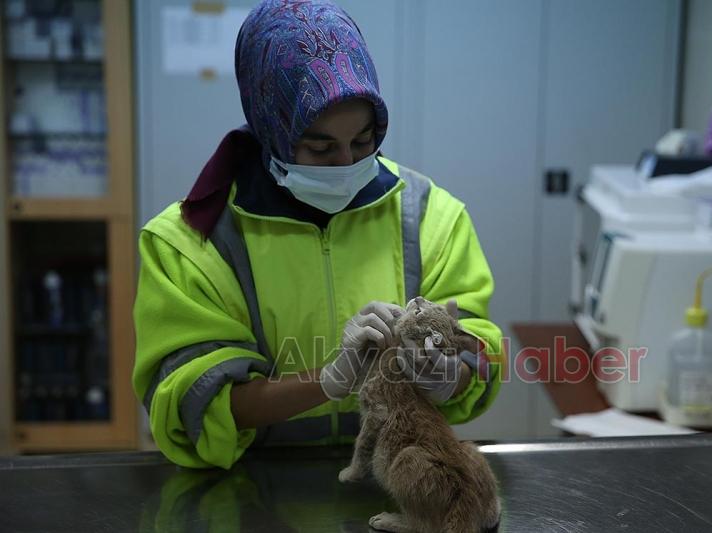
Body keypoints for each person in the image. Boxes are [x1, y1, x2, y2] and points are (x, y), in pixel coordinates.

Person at [132, 0, 503, 469]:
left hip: (396, 480)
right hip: (252, 488)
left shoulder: (430, 216)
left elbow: (480, 351)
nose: (347, 164)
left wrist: (450, 375)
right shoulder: (189, 244)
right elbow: (191, 398)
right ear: (273, 130)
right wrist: (328, 380)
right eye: (321, 147)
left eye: (364, 141)